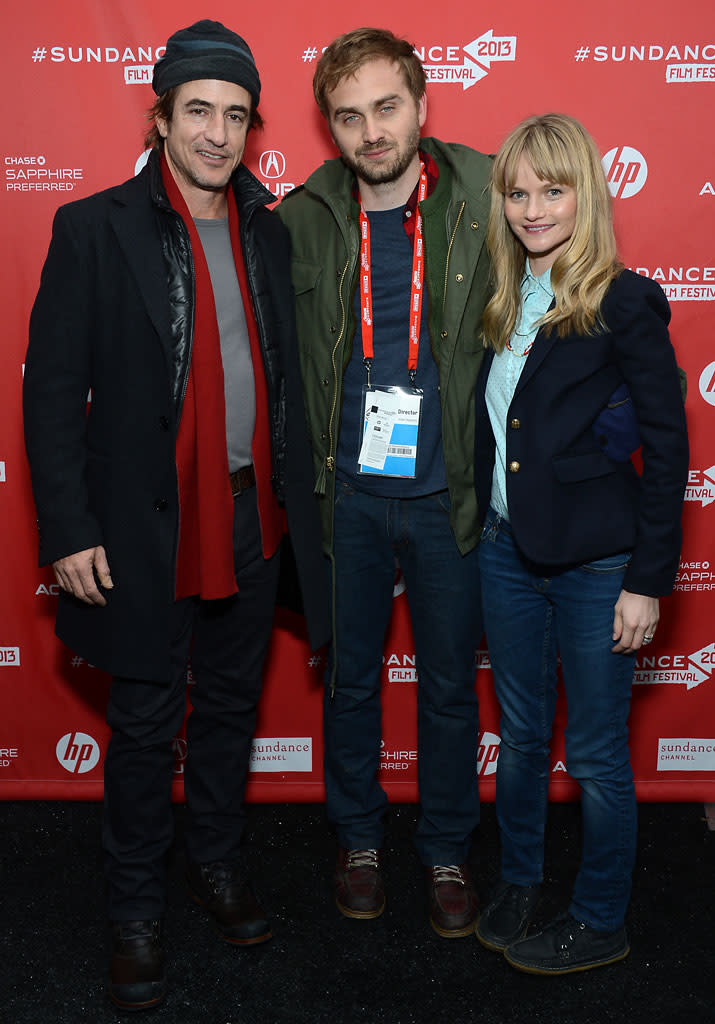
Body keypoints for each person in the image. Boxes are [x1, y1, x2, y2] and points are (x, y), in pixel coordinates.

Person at [23, 20, 329, 1011]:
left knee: (231, 711)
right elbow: (50, 391)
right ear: (161, 116)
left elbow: (284, 382)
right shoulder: (93, 228)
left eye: (236, 115)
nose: (217, 133)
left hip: (250, 518)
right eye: (198, 110)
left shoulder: (270, 231)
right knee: (148, 725)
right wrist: (68, 526)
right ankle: (134, 908)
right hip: (142, 529)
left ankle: (217, 861)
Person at [278, 27, 491, 937]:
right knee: (352, 679)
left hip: (448, 494)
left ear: (421, 105)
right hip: (347, 497)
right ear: (330, 128)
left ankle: (445, 846)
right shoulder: (298, 218)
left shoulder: (485, 194)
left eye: (385, 107)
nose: (371, 131)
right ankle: (357, 838)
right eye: (349, 115)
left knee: (448, 682)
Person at [473, 113, 689, 974]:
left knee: (595, 754)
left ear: (585, 195)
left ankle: (601, 918)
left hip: (599, 564)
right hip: (502, 554)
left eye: (551, 190)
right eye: (518, 192)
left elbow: (668, 447)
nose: (532, 208)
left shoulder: (623, 299)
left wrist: (646, 580)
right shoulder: (499, 297)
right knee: (523, 739)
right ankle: (521, 880)